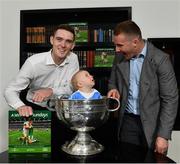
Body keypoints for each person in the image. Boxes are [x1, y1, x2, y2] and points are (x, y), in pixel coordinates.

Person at [107, 20, 178, 155]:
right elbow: (112, 82)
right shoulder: (119, 57)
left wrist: (163, 135)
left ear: (135, 42)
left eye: (120, 45)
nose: (116, 49)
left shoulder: (161, 59)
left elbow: (170, 99)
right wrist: (114, 88)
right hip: (127, 122)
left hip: (153, 124)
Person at [4, 24, 79, 117]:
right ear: (52, 40)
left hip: (63, 109)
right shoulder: (33, 62)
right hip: (35, 107)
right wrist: (21, 106)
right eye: (59, 39)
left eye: (68, 41)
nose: (63, 45)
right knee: (33, 131)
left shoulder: (73, 58)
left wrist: (51, 91)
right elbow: (10, 90)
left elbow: (73, 87)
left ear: (72, 45)